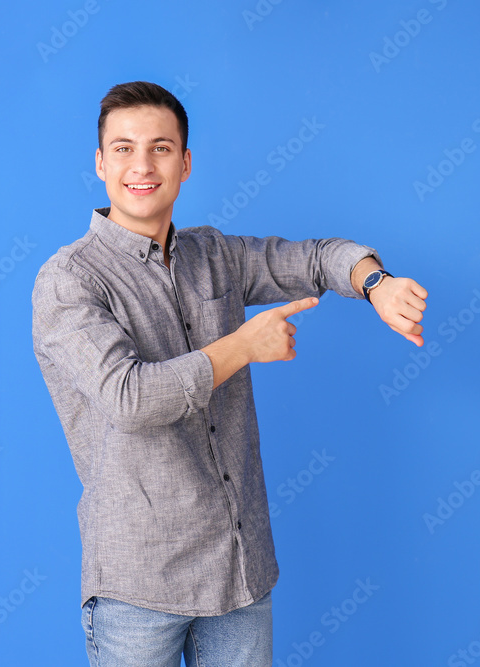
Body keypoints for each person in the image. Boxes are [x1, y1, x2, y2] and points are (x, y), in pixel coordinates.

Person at [31, 80, 428, 666]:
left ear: (185, 162)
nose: (142, 165)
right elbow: (129, 397)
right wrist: (242, 345)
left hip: (239, 572)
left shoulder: (213, 253)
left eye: (161, 148)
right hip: (140, 585)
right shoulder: (70, 280)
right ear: (99, 162)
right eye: (123, 148)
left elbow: (317, 257)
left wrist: (377, 282)